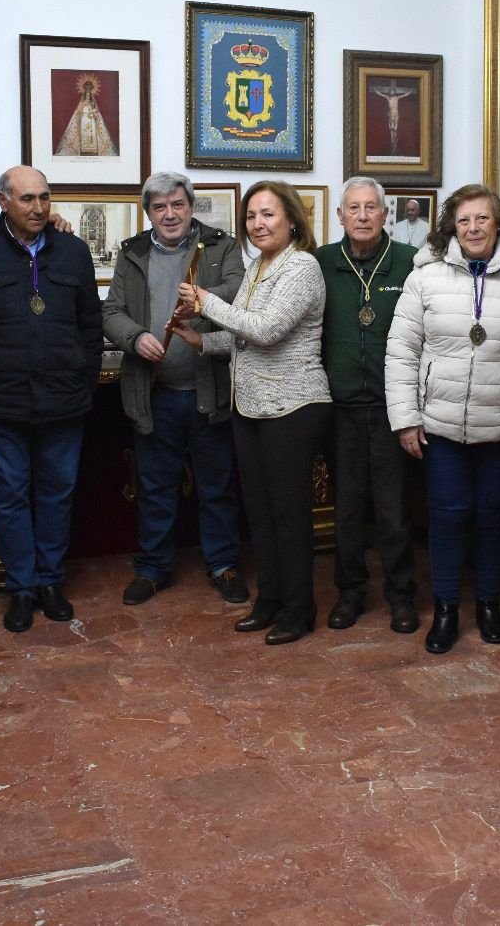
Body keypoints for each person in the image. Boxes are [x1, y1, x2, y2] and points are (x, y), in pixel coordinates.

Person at [385, 184, 500, 654]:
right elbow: (401, 351)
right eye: (464, 220)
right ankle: (448, 607)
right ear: (452, 226)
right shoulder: (425, 276)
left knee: (493, 518)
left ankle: (489, 604)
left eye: (483, 219)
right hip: (440, 425)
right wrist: (406, 418)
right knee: (448, 518)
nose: (473, 228)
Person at [173, 182, 331, 645]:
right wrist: (201, 339)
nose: (257, 224)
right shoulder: (258, 266)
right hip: (253, 405)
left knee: (289, 514)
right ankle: (271, 601)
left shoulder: (302, 267)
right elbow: (244, 340)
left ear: (292, 221)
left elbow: (267, 330)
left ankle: (299, 610)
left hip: (294, 406)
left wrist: (205, 302)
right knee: (259, 514)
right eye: (251, 217)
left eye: (268, 215)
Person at [0, 167, 103, 632]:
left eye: (44, 198)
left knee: (57, 494)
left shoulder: (74, 252)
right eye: (26, 199)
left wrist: (85, 379)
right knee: (10, 496)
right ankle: (20, 588)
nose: (38, 208)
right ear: (3, 201)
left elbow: (91, 325)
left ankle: (49, 583)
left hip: (63, 401)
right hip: (0, 403)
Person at [102, 172, 247, 607]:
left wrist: (202, 297)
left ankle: (223, 565)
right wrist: (134, 337)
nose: (170, 214)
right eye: (160, 207)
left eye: (177, 205)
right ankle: (152, 570)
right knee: (155, 487)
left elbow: (240, 294)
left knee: (217, 487)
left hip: (209, 392)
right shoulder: (133, 254)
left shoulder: (220, 246)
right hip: (155, 395)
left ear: (190, 208)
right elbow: (111, 312)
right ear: (149, 213)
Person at [316, 177, 420, 634]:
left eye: (370, 208)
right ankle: (350, 592)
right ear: (340, 216)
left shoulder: (411, 263)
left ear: (385, 215)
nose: (361, 216)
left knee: (394, 512)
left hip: (391, 409)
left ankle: (401, 596)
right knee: (348, 510)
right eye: (353, 208)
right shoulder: (319, 263)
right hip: (338, 408)